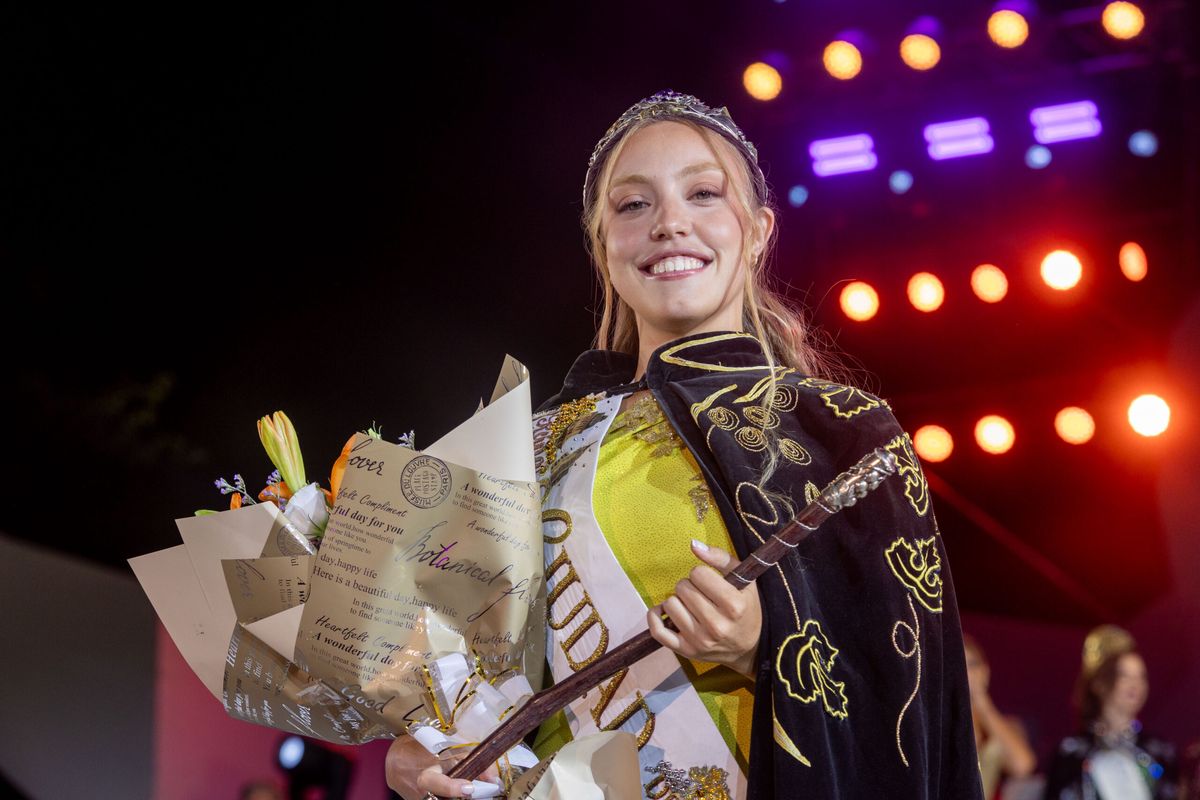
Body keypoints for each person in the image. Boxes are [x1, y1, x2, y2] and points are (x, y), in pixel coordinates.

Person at [386, 90, 983, 799]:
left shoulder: (844, 434)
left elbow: (917, 697)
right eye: (632, 206)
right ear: (602, 247)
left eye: (702, 193)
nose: (669, 223)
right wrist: (420, 754)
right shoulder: (525, 448)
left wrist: (767, 643)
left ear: (759, 231)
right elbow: (474, 682)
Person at [1043, 625, 1180, 800]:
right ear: (1099, 683)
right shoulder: (1071, 752)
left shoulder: (1160, 751)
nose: (1135, 684)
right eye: (1124, 675)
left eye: (1141, 676)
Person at [963, 634, 1037, 798]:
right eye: (960, 665)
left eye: (972, 665)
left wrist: (981, 702)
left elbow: (1022, 764)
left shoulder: (1004, 724)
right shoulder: (937, 722)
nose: (966, 673)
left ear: (985, 671)